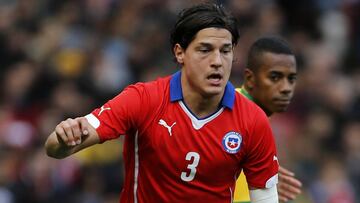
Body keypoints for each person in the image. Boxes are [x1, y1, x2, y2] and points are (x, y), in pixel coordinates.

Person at [45, 3, 280, 203]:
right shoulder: (144, 99)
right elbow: (55, 147)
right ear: (180, 53)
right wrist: (64, 139)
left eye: (225, 51)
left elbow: (266, 198)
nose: (217, 61)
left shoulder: (252, 120)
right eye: (205, 50)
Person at [233, 37, 301, 203]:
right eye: (275, 77)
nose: (286, 88)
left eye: (291, 79)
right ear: (250, 79)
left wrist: (262, 185)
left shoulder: (256, 118)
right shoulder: (232, 112)